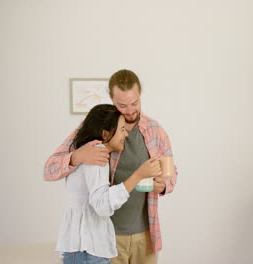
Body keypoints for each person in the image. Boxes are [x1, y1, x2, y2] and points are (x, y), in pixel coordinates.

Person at [45, 69, 177, 264]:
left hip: (146, 234)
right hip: (107, 236)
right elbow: (50, 168)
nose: (131, 110)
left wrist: (164, 185)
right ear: (111, 98)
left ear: (140, 95)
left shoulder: (155, 130)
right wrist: (77, 156)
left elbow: (172, 170)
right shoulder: (99, 127)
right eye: (122, 105)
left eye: (135, 103)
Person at [56, 104, 162, 264]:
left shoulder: (88, 152)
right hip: (88, 251)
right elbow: (102, 205)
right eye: (121, 129)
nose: (125, 134)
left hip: (84, 249)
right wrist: (139, 175)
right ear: (106, 134)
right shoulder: (96, 154)